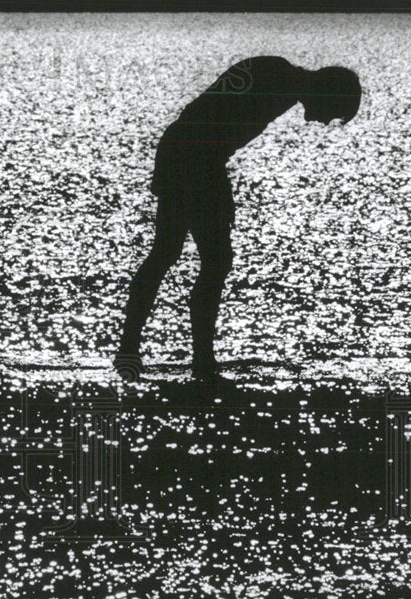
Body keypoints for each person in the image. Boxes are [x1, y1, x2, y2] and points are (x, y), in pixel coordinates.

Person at [114, 57, 361, 382]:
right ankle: (199, 363)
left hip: (184, 152)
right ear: (328, 94)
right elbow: (209, 126)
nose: (325, 121)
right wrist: (217, 188)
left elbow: (207, 118)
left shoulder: (277, 74)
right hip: (192, 158)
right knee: (208, 260)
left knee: (171, 253)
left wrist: (217, 186)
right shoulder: (277, 83)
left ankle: (139, 351)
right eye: (333, 112)